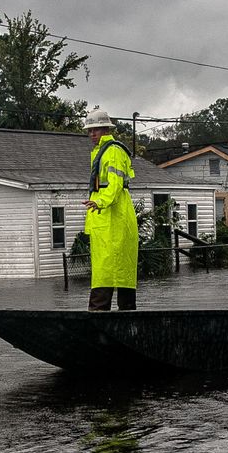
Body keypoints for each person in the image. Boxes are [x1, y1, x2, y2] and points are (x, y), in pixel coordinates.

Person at [82, 107, 139, 311]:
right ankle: (115, 314)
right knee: (105, 267)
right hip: (105, 219)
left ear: (106, 129)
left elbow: (114, 185)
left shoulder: (113, 151)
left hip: (115, 217)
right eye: (89, 131)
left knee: (110, 268)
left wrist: (100, 202)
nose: (92, 134)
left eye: (95, 130)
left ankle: (102, 316)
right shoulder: (100, 151)